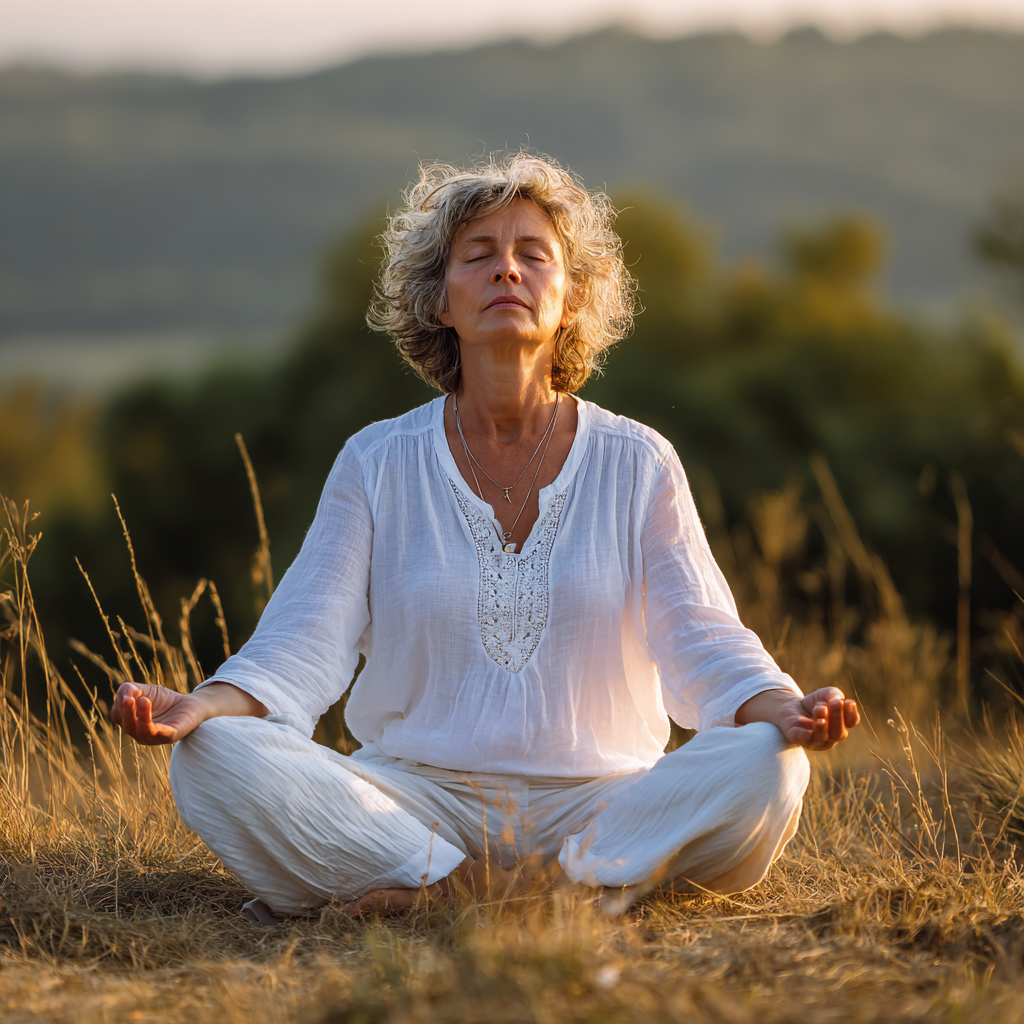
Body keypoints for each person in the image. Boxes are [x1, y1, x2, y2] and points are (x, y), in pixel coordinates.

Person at [111, 153, 859, 922]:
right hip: (412, 799)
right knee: (212, 759)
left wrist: (786, 706)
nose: (508, 270)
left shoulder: (637, 460)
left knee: (771, 765)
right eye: (480, 255)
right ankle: (529, 892)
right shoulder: (377, 460)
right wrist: (202, 705)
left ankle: (460, 894)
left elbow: (704, 637)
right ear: (440, 301)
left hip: (602, 801)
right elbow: (303, 641)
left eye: (534, 255)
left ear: (570, 297)